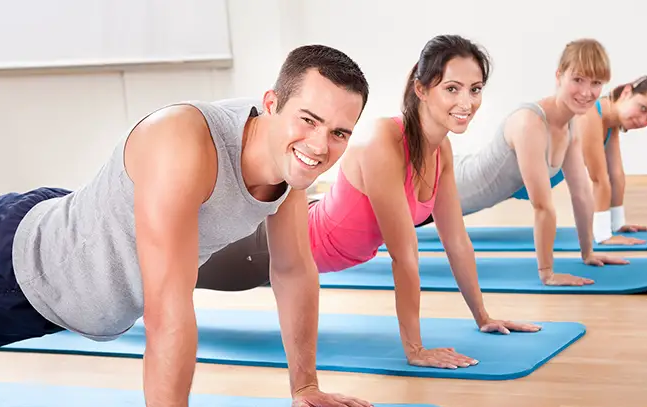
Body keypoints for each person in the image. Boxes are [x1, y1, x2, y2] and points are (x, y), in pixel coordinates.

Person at [0, 44, 377, 407]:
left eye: (339, 132)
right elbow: (167, 314)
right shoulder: (183, 143)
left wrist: (306, 384)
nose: (320, 145)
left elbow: (294, 270)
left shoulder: (288, 159)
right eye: (309, 120)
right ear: (272, 103)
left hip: (56, 262)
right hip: (18, 267)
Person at [197, 34, 542, 371]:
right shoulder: (384, 142)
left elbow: (456, 241)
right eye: (452, 88)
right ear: (421, 89)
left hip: (308, 232)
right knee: (173, 274)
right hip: (265, 249)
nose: (466, 102)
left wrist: (483, 317)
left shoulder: (442, 151)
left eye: (475, 89)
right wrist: (415, 349)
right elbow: (403, 256)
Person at [443, 38, 633, 286]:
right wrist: (547, 273)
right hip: (441, 185)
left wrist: (588, 253)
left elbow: (581, 193)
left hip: (454, 194)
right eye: (578, 80)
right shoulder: (530, 123)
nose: (587, 92)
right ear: (559, 76)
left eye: (596, 83)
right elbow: (542, 206)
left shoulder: (571, 124)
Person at [580, 75, 647, 235]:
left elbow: (616, 175)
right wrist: (603, 234)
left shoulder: (610, 123)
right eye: (643, 108)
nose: (643, 120)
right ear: (626, 92)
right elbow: (599, 179)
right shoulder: (590, 114)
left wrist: (617, 224)